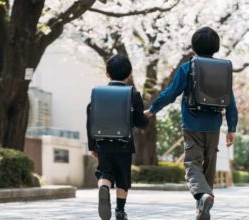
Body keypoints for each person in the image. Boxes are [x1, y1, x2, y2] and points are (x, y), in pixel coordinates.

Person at [144, 27, 238, 220]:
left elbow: (171, 93)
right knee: (208, 166)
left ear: (194, 46)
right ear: (216, 47)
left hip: (192, 123)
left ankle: (203, 197)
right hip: (213, 125)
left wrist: (153, 109)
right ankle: (203, 205)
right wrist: (232, 128)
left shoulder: (188, 67)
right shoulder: (224, 70)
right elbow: (230, 101)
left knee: (192, 164)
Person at [87, 54, 149, 220]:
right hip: (124, 144)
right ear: (129, 75)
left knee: (104, 173)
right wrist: (146, 117)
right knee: (122, 177)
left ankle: (104, 187)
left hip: (102, 142)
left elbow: (90, 119)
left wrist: (92, 145)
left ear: (107, 73)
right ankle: (120, 211)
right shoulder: (133, 95)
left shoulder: (97, 93)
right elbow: (140, 122)